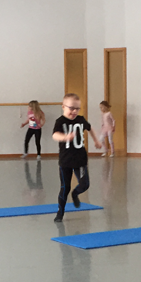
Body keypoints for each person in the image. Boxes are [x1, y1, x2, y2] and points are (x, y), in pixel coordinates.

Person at [52, 93, 102, 222]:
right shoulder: (60, 121)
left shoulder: (81, 120)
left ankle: (75, 194)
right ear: (63, 106)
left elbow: (90, 128)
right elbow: (55, 135)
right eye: (71, 108)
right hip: (65, 160)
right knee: (65, 188)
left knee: (85, 184)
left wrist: (96, 140)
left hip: (80, 159)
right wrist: (65, 137)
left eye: (77, 109)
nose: (74, 111)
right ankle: (60, 213)